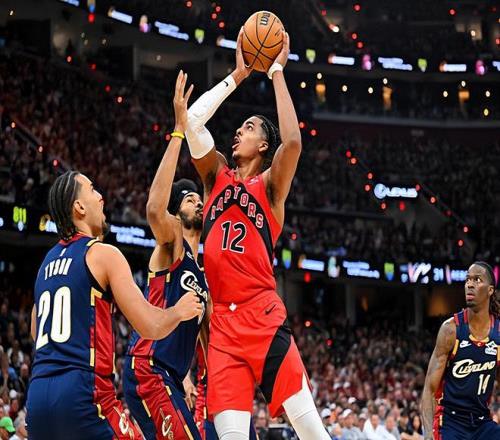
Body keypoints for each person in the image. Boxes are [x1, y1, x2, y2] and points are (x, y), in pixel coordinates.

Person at [184, 27, 330, 440]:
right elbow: (191, 121)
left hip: (261, 315)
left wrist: (277, 71)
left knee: (311, 432)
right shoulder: (215, 177)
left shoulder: (270, 187)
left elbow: (293, 142)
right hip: (222, 327)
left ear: (264, 145)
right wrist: (238, 76)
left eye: (248, 128)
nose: (238, 132)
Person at [27, 167, 203, 439]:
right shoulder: (102, 253)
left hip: (37, 397)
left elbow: (34, 330)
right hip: (83, 392)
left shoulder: (45, 264)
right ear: (79, 207)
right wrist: (178, 311)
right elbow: (151, 326)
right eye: (93, 190)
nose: (101, 197)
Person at [122, 71, 209, 440]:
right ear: (178, 211)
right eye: (190, 199)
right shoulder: (173, 241)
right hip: (149, 367)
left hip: (170, 375)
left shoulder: (202, 271)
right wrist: (178, 130)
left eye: (199, 199)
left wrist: (191, 377)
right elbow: (154, 209)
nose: (198, 203)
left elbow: (203, 338)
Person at [421, 261, 500, 439]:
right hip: (450, 422)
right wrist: (428, 435)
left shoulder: (498, 333)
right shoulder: (451, 330)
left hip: (482, 423)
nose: (470, 284)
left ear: (490, 290)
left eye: (477, 280)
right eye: (467, 280)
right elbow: (429, 390)